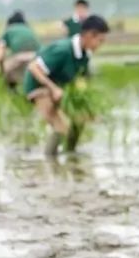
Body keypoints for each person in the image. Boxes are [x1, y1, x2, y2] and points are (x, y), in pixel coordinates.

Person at [24, 15, 110, 155]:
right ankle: (50, 163)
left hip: (59, 88)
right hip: (38, 87)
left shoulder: (85, 55)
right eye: (100, 41)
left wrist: (89, 111)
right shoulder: (63, 49)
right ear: (89, 35)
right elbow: (34, 68)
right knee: (61, 126)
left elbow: (81, 82)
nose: (100, 45)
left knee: (80, 120)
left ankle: (70, 155)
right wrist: (54, 89)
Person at [0, 11, 41, 90]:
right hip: (38, 57)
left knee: (9, 68)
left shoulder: (8, 31)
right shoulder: (29, 29)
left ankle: (12, 91)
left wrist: (2, 71)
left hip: (20, 58)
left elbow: (0, 57)